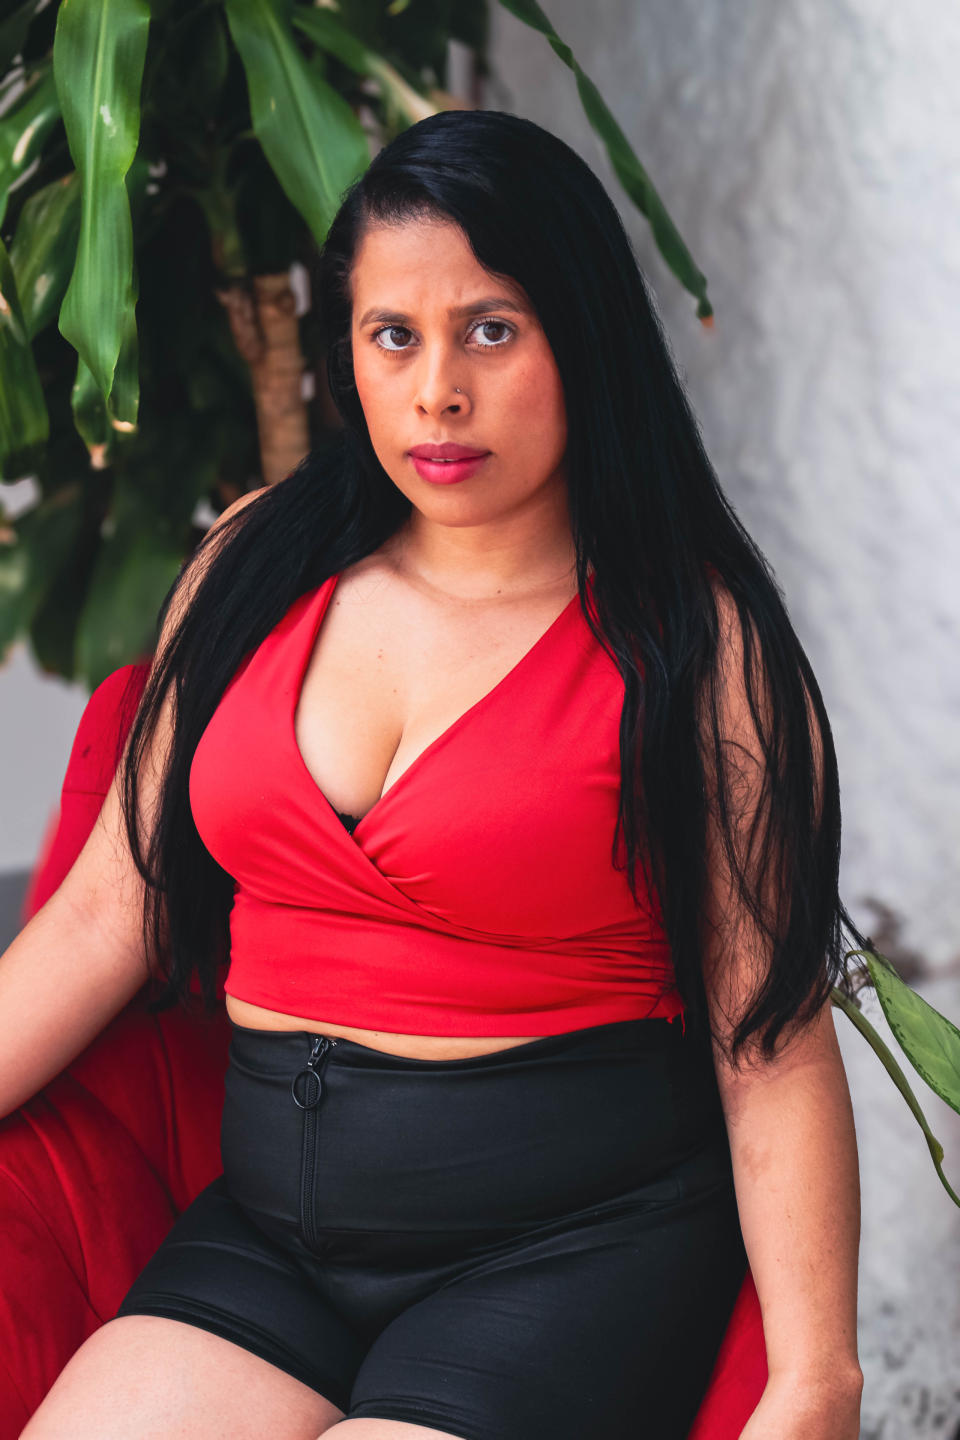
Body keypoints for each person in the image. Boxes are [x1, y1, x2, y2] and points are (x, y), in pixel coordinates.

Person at [8, 109, 865, 1440]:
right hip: (269, 1240)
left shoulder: (694, 647)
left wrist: (818, 1381)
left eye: (491, 330)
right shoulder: (254, 564)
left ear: (583, 335)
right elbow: (108, 916)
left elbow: (769, 1043)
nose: (437, 394)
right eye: (393, 335)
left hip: (568, 1251)